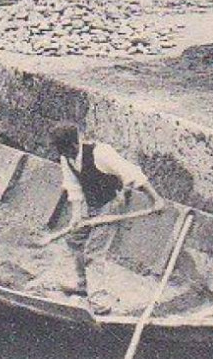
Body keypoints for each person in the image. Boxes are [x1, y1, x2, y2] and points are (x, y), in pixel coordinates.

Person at [51, 123, 159, 310]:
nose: (65, 155)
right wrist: (76, 216)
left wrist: (155, 199)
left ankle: (99, 297)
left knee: (94, 251)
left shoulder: (101, 153)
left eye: (67, 151)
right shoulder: (66, 158)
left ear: (74, 145)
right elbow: (74, 187)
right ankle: (82, 284)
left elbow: (132, 173)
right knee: (74, 240)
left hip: (111, 203)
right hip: (91, 204)